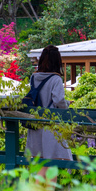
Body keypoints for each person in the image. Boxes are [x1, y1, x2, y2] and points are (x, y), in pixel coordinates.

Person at [25, 45, 72, 183]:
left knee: (40, 162)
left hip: (35, 124)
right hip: (50, 126)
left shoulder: (33, 77)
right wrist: (67, 104)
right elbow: (59, 101)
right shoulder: (56, 79)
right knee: (51, 165)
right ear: (57, 61)